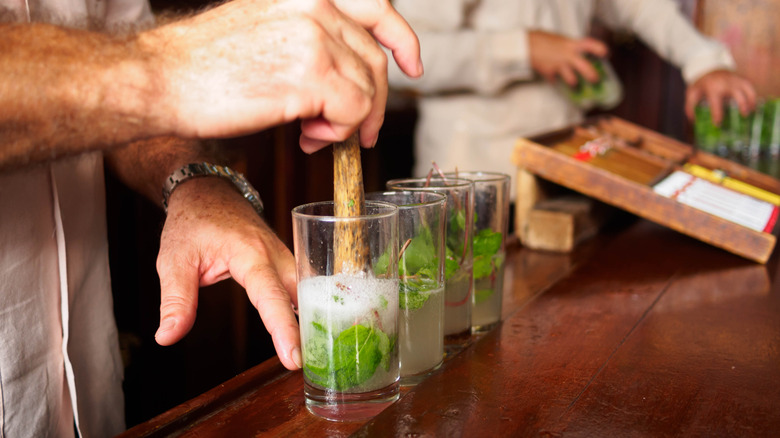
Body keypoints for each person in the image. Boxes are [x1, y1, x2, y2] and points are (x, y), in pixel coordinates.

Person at [0, 0, 422, 435]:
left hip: (92, 395)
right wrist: (169, 64)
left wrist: (193, 184)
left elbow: (114, 86)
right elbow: (129, 70)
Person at [385, 0, 756, 186]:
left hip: (565, 172)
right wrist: (523, 49)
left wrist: (704, 60)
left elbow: (641, 7)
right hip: (467, 188)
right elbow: (396, 59)